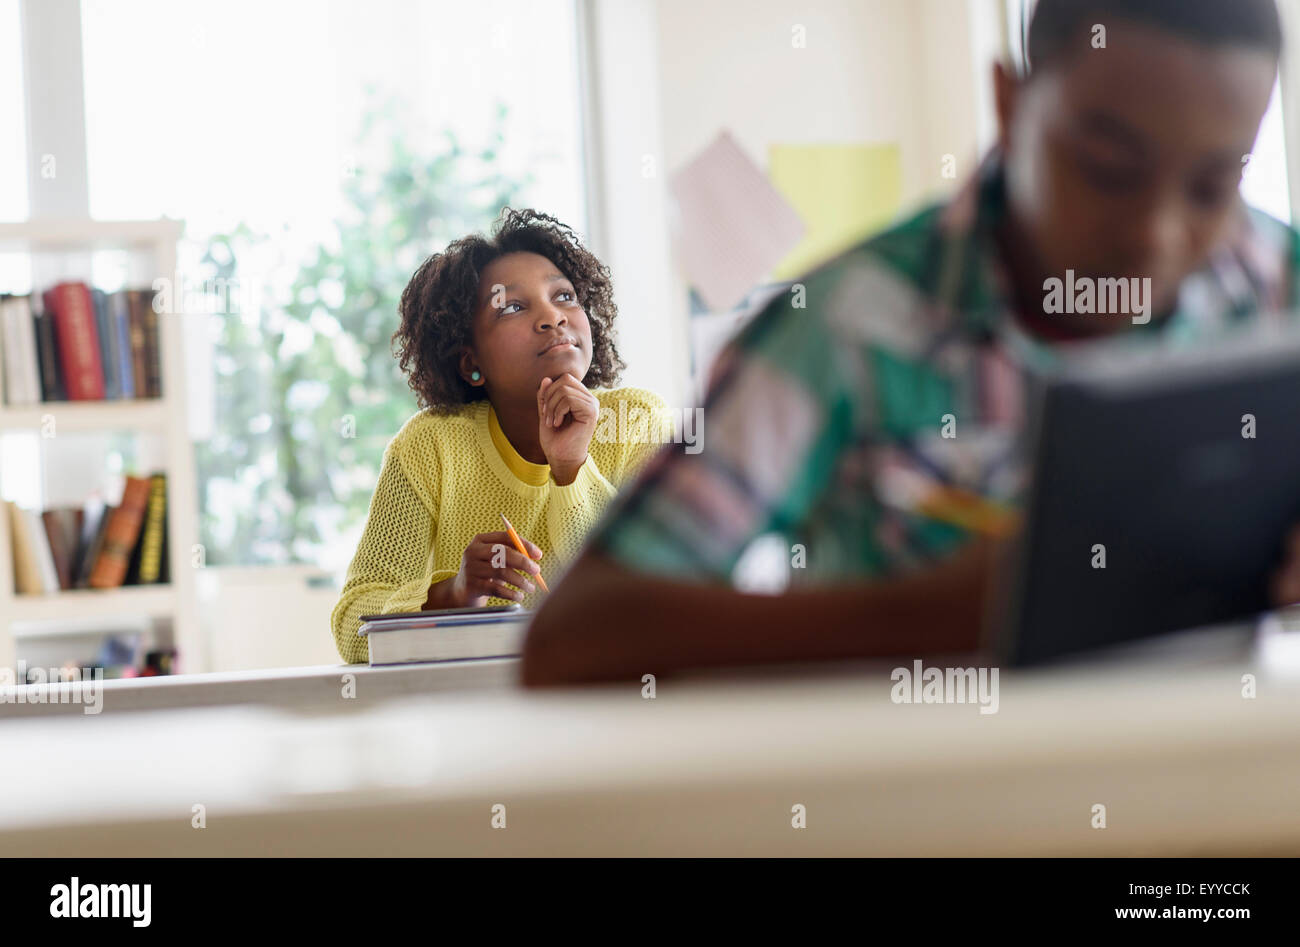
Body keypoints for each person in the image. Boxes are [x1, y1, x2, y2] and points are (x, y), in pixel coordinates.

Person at [522, 0, 1300, 685]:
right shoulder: (845, 327)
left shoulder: (1276, 283)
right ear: (1010, 100)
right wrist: (937, 618)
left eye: (1212, 188)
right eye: (1107, 168)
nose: (1156, 237)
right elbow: (577, 634)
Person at [331, 208, 668, 664]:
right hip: (473, 715)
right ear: (471, 361)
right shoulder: (430, 448)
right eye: (512, 306)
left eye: (565, 296)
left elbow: (651, 600)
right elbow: (353, 629)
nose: (553, 318)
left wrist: (570, 470)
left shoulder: (637, 421)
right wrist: (451, 594)